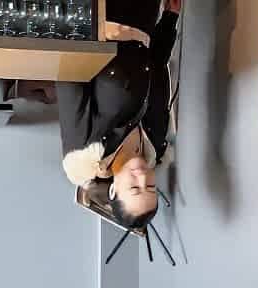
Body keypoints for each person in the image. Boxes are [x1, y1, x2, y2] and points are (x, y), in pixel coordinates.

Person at [57, 0, 181, 230]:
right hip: (144, 17)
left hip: (103, 12)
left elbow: (69, 73)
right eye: (150, 187)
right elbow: (156, 67)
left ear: (113, 190)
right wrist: (170, 19)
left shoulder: (85, 151)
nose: (142, 177)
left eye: (134, 188)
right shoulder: (155, 144)